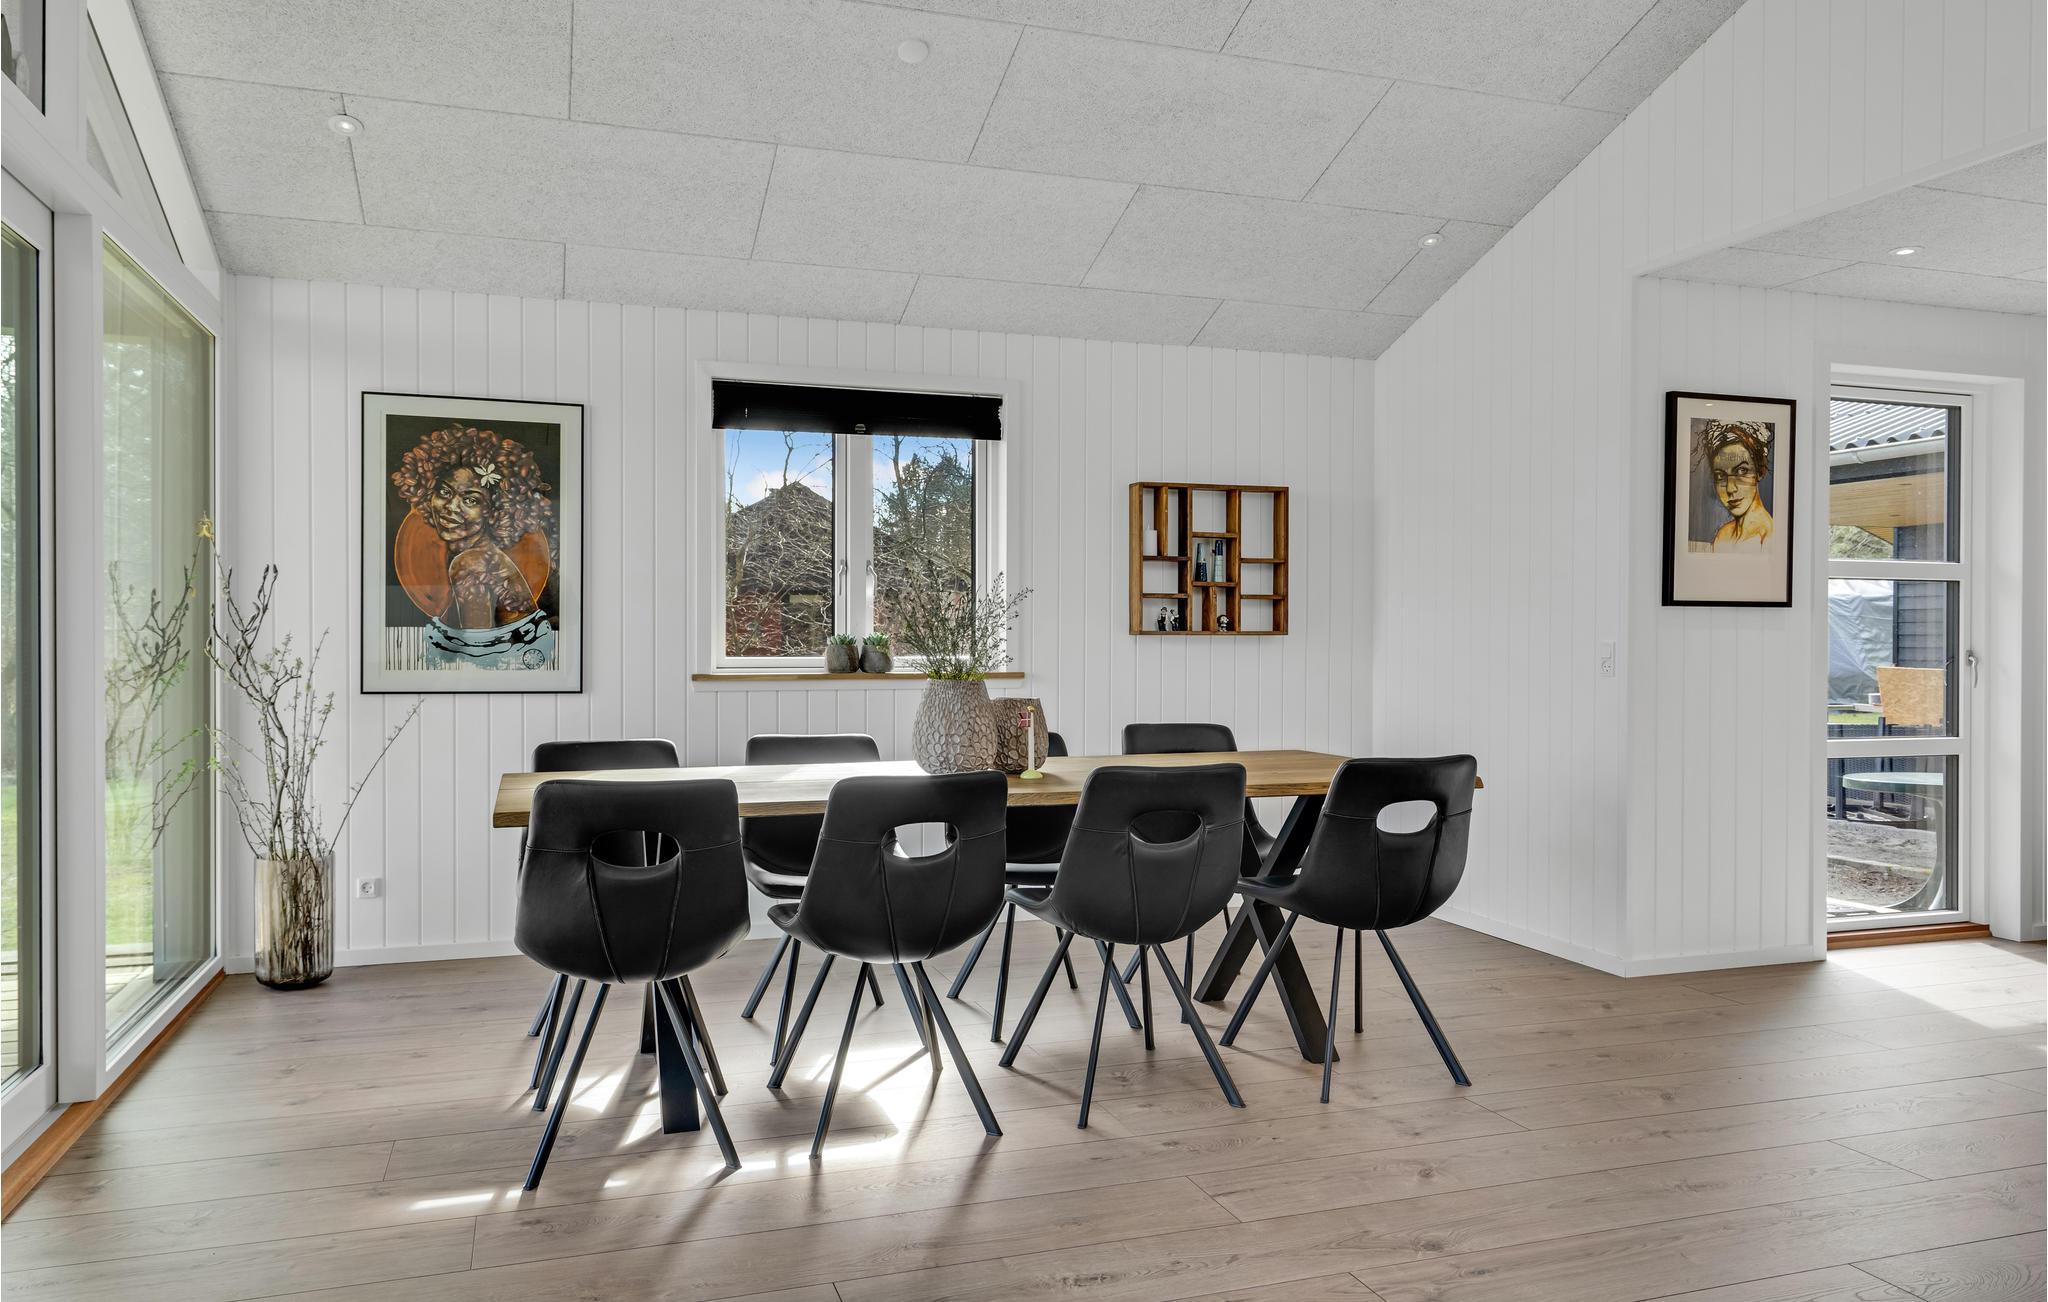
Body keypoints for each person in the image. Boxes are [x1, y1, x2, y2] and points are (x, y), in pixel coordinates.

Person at [390, 424, 557, 671]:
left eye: (470, 500)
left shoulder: (470, 563)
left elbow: (479, 660)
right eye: (444, 491)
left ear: (496, 511)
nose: (450, 507)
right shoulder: (481, 558)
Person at [1693, 420, 1774, 552]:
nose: (1730, 488)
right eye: (1720, 476)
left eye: (1742, 471)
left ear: (1760, 471)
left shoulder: (1770, 540)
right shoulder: (1722, 535)